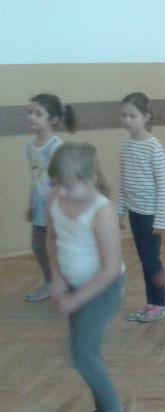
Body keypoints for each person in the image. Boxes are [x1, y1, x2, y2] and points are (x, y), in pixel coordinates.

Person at [47, 142, 131, 412]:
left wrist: (76, 300)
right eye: (58, 185)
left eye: (69, 186)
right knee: (86, 353)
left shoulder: (102, 211)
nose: (63, 192)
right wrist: (57, 278)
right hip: (74, 287)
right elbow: (51, 239)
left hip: (103, 290)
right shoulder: (56, 200)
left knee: (83, 354)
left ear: (90, 179)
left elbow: (110, 269)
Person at [117, 92, 165, 323]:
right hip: (135, 211)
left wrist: (160, 219)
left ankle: (162, 304)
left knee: (151, 260)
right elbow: (124, 181)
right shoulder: (126, 145)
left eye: (132, 116)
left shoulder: (154, 147)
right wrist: (120, 211)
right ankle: (151, 303)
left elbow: (163, 186)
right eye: (124, 116)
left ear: (146, 116)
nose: (127, 120)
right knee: (144, 259)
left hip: (151, 214)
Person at [23, 93, 74, 302]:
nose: (32, 117)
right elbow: (36, 179)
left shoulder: (56, 146)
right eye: (30, 112)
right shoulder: (31, 146)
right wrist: (31, 204)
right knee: (38, 246)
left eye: (38, 113)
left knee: (58, 247)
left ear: (52, 119)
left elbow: (64, 180)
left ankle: (68, 283)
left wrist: (60, 206)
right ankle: (51, 281)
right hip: (39, 206)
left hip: (56, 206)